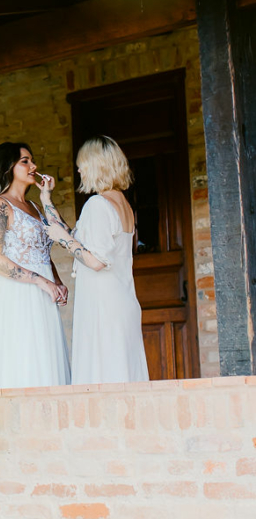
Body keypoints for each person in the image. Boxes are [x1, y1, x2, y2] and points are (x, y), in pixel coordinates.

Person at [39, 135, 149, 385]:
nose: (78, 169)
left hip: (104, 304)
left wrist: (63, 241)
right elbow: (76, 237)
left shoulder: (98, 205)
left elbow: (97, 260)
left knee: (104, 377)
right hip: (122, 300)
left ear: (95, 165)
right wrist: (46, 200)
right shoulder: (123, 204)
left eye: (82, 163)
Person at [0, 142, 71, 390]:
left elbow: (50, 246)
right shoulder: (0, 206)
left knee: (45, 363)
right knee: (22, 364)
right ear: (9, 167)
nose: (33, 166)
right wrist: (39, 280)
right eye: (25, 161)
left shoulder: (34, 207)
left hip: (42, 298)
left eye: (32, 161)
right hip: (15, 298)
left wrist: (56, 280)